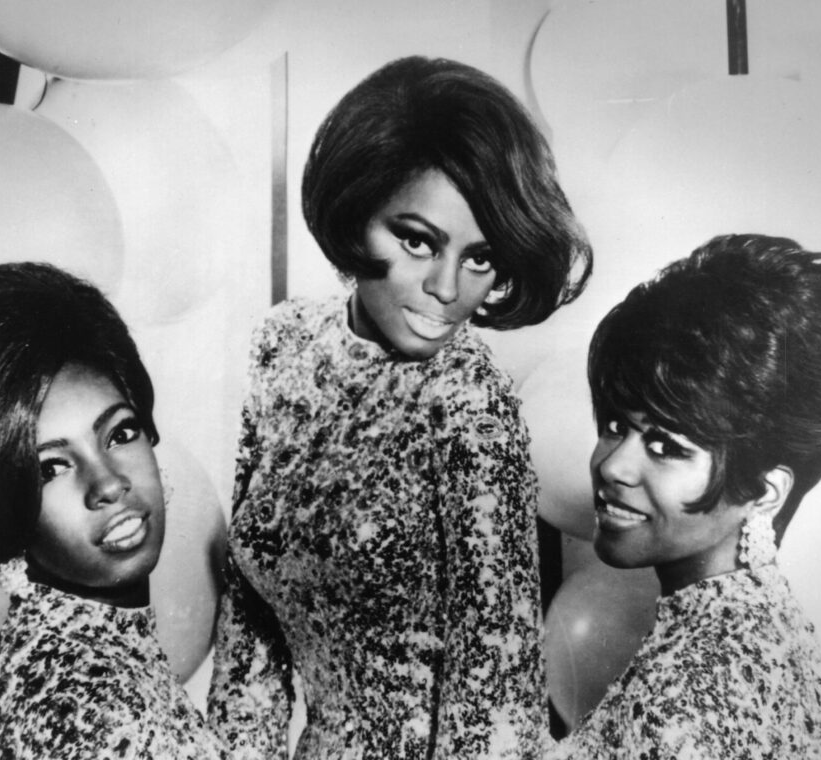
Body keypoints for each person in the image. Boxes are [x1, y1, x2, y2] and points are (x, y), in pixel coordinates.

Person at [206, 55, 592, 758]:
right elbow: (249, 612)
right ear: (354, 213)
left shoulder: (472, 411)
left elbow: (497, 709)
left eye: (481, 258)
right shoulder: (282, 345)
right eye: (418, 240)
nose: (447, 288)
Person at [0, 263, 224, 760]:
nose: (106, 483)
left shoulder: (73, 654)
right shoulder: (78, 706)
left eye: (119, 433)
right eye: (50, 468)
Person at [544, 234, 821, 758]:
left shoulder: (690, 693)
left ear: (764, 492)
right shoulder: (766, 637)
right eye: (614, 423)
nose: (613, 464)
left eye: (665, 446)